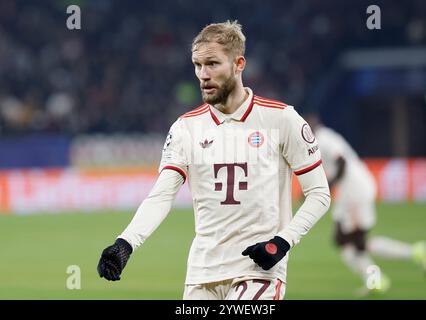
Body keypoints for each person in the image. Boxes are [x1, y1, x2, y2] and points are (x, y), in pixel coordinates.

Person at [97, 20, 331, 300]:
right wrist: (126, 243)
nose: (203, 74)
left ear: (239, 63)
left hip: (258, 270)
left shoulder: (281, 119)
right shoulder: (185, 128)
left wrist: (282, 242)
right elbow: (161, 196)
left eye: (212, 64)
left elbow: (319, 194)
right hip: (201, 273)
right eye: (197, 65)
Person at [307, 115, 426, 295]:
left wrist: (328, 185)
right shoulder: (325, 136)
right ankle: (383, 274)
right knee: (353, 244)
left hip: (354, 192)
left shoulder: (324, 138)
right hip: (351, 192)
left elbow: (341, 161)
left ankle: (399, 263)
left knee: (348, 242)